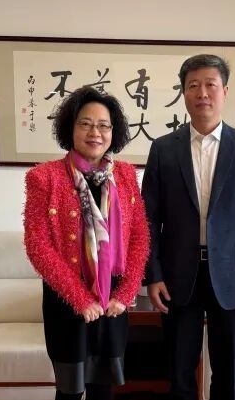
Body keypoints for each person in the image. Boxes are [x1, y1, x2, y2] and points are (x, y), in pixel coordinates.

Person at [142, 54, 235, 400]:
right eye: (193, 85)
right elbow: (147, 219)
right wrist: (153, 275)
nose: (202, 93)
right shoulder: (163, 149)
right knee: (180, 373)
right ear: (184, 93)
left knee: (227, 374)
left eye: (210, 84)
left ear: (224, 91)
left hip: (231, 277)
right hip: (176, 277)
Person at [23, 86, 150, 400]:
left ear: (113, 132)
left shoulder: (125, 175)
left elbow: (139, 236)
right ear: (70, 127)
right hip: (66, 301)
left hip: (112, 300)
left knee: (102, 388)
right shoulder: (44, 177)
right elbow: (38, 246)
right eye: (86, 124)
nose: (96, 133)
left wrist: (126, 293)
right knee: (69, 390)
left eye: (104, 125)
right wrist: (80, 298)